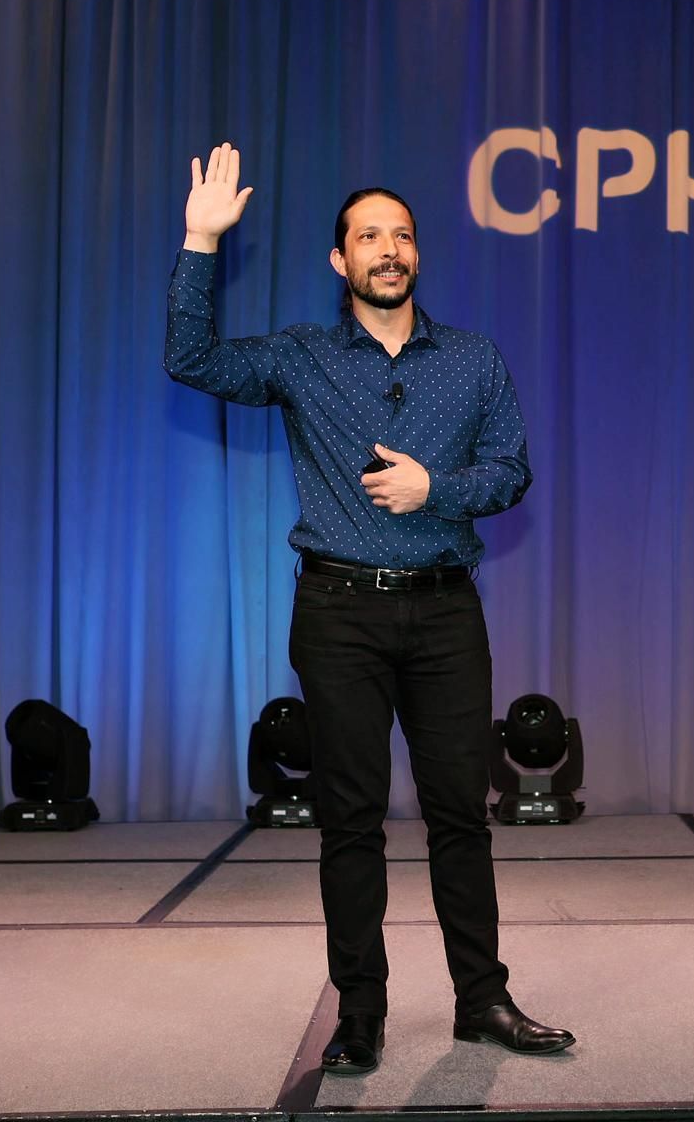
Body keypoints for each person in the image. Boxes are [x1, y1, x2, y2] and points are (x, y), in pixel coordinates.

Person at [164, 143, 573, 1075]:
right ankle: (361, 1014)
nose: (388, 250)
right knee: (348, 821)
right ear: (339, 262)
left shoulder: (473, 360)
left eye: (403, 236)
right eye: (368, 237)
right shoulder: (302, 357)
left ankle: (483, 1000)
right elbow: (188, 356)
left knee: (460, 816)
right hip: (339, 612)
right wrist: (199, 240)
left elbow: (511, 473)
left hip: (443, 616)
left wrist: (436, 486)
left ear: (418, 256)